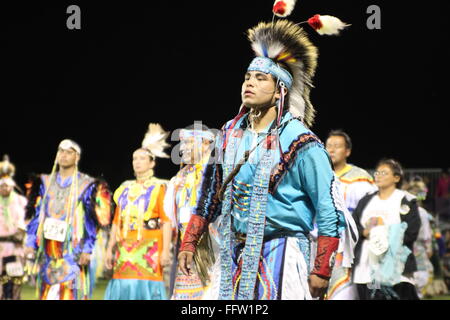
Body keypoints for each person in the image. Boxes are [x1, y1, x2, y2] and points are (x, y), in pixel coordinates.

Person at [177, 17, 357, 300]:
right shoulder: (229, 133)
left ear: (279, 91)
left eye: (261, 78)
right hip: (232, 254)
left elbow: (328, 206)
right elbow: (209, 194)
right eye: (248, 77)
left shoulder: (301, 142)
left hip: (282, 254)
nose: (249, 83)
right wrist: (189, 242)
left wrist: (322, 270)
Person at [24, 139, 113, 300]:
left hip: (74, 252)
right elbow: (35, 216)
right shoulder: (44, 182)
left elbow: (91, 221)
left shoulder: (87, 184)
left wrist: (87, 248)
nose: (63, 155)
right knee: (46, 293)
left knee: (72, 293)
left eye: (69, 152)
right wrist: (30, 243)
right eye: (61, 151)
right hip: (48, 251)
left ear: (77, 157)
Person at [104, 123, 172, 300]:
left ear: (152, 163)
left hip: (150, 246)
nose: (138, 162)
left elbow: (166, 221)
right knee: (123, 284)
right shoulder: (125, 188)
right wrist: (109, 248)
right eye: (135, 158)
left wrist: (165, 251)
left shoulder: (160, 187)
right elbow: (116, 221)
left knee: (147, 286)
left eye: (142, 158)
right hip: (125, 245)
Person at [352, 159, 421, 300]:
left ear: (396, 177)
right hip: (366, 269)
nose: (378, 175)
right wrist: (364, 232)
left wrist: (382, 231)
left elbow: (411, 232)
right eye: (377, 172)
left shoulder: (405, 200)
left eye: (384, 173)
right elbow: (354, 227)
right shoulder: (366, 200)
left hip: (397, 268)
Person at [164, 123, 216, 300]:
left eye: (189, 143)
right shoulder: (179, 177)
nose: (183, 148)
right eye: (183, 143)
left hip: (215, 247)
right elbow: (171, 217)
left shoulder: (218, 172)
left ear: (206, 143)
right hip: (188, 247)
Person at [325, 130, 376, 299]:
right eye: (329, 146)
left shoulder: (361, 179)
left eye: (337, 146)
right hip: (319, 247)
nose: (331, 150)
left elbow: (374, 212)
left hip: (349, 251)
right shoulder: (319, 175)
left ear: (347, 151)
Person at [0, 155, 27, 300]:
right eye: (2, 185)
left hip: (15, 248)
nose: (5, 188)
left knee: (14, 283)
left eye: (7, 185)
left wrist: (20, 233)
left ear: (12, 185)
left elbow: (22, 221)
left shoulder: (19, 201)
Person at [403, 176, 434, 298]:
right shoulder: (421, 212)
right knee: (421, 277)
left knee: (408, 278)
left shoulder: (404, 208)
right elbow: (426, 234)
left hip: (405, 247)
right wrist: (429, 247)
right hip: (419, 248)